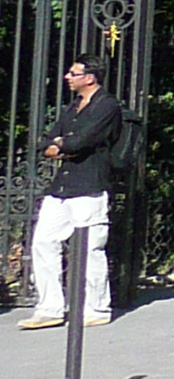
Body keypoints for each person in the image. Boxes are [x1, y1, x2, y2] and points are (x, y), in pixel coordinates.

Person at [24, 58, 124, 329]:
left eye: (73, 73)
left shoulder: (107, 106)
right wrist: (60, 145)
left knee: (91, 248)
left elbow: (82, 141)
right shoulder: (72, 108)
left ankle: (97, 307)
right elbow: (46, 142)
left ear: (90, 78)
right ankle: (50, 308)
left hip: (89, 185)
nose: (68, 77)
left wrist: (64, 145)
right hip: (62, 187)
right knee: (43, 242)